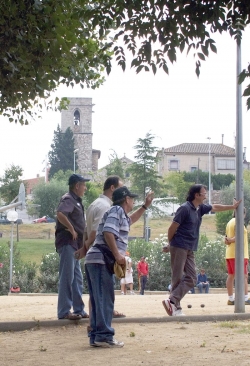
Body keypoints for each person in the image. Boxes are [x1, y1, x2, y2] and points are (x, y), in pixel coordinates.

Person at [84, 186, 154, 347]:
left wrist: (145, 206)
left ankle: (96, 335)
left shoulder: (119, 213)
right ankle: (104, 336)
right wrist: (117, 255)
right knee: (105, 299)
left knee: (98, 299)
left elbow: (131, 220)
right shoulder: (116, 211)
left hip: (95, 259)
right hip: (101, 260)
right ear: (126, 200)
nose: (133, 201)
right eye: (132, 199)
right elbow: (108, 232)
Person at [162, 184, 241, 317]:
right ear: (196, 195)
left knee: (192, 278)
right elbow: (172, 228)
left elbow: (215, 207)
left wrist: (232, 207)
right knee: (177, 277)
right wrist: (171, 244)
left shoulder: (199, 208)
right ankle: (176, 306)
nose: (206, 195)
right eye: (204, 193)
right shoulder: (185, 208)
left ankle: (172, 301)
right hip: (179, 246)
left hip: (190, 247)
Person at [75, 175, 126, 318]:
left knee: (96, 291)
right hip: (101, 253)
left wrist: (85, 248)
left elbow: (87, 230)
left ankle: (96, 319)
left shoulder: (94, 204)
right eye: (121, 188)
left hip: (93, 252)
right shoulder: (106, 207)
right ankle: (100, 319)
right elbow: (97, 232)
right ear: (112, 188)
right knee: (102, 290)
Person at [55, 174, 90, 320]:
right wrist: (71, 228)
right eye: (83, 185)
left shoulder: (76, 201)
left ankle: (79, 310)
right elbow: (60, 214)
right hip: (68, 242)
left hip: (74, 245)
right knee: (67, 277)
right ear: (77, 186)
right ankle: (64, 312)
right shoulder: (69, 199)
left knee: (77, 278)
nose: (85, 188)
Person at [225, 207, 250, 305]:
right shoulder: (238, 222)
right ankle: (245, 298)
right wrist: (231, 240)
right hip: (239, 254)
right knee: (244, 276)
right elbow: (238, 236)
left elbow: (225, 239)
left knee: (231, 276)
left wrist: (229, 240)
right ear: (242, 213)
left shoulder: (229, 222)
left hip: (230, 253)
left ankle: (231, 299)